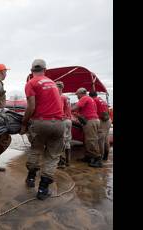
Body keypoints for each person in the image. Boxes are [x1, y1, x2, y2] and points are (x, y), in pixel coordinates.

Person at [20, 59, 65, 200]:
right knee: (52, 156)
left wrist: (24, 123)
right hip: (59, 123)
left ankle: (31, 179)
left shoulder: (31, 83)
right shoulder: (52, 83)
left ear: (31, 71)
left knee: (36, 149)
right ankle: (43, 189)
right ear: (45, 70)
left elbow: (31, 107)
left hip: (41, 123)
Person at [71, 87, 102, 167]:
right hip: (94, 120)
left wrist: (66, 109)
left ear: (81, 93)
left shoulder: (84, 98)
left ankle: (98, 159)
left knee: (91, 140)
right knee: (88, 140)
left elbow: (74, 108)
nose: (77, 96)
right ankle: (89, 157)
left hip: (90, 121)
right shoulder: (90, 99)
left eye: (77, 94)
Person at [89, 91, 112, 161]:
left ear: (91, 96)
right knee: (106, 139)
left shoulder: (94, 100)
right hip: (108, 120)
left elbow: (93, 111)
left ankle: (100, 158)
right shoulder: (101, 99)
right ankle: (106, 156)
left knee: (100, 140)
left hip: (102, 121)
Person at [55, 81, 72, 168]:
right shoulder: (66, 97)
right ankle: (68, 162)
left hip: (63, 120)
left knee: (60, 141)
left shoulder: (59, 97)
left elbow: (60, 110)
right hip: (69, 120)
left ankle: (61, 161)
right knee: (67, 141)